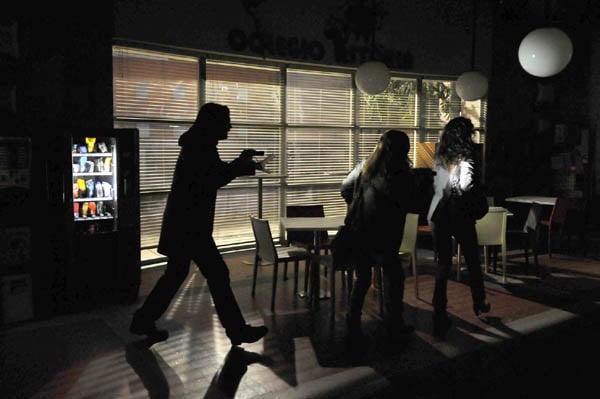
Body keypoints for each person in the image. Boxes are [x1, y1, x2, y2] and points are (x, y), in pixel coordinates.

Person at [130, 102, 269, 346]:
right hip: (191, 228)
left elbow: (213, 174)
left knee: (175, 275)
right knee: (217, 274)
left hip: (183, 225)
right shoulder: (201, 147)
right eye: (226, 121)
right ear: (213, 123)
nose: (230, 125)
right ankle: (236, 331)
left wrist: (242, 162)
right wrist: (241, 163)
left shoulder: (196, 144)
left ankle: (142, 320)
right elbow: (214, 178)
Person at [340, 130, 417, 342]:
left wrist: (355, 207)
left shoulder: (364, 168)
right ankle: (394, 323)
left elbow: (344, 189)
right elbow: (409, 203)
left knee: (363, 278)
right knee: (394, 277)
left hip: (360, 232)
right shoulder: (401, 175)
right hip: (386, 236)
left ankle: (352, 321)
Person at [427, 116, 491, 339]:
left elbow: (436, 184)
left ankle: (439, 306)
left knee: (442, 264)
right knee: (472, 259)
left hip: (437, 214)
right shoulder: (468, 155)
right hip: (460, 215)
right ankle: (479, 300)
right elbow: (467, 184)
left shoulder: (440, 155)